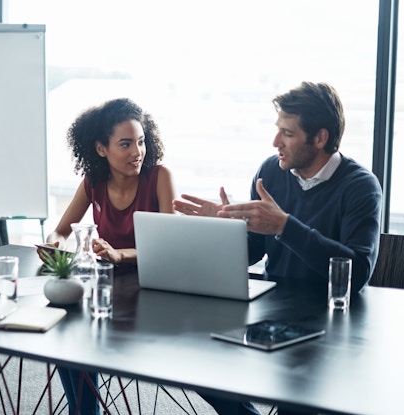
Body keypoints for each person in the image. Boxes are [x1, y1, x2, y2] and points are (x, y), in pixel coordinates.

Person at [173, 81, 382, 415]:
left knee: (295, 401)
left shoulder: (360, 187)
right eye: (277, 130)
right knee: (194, 358)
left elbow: (355, 273)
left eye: (287, 133)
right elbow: (255, 249)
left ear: (320, 138)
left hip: (328, 320)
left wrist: (285, 226)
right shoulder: (272, 170)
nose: (275, 143)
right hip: (272, 310)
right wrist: (224, 228)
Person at [44, 98, 176, 415]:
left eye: (141, 142)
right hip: (106, 289)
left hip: (150, 290)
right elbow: (60, 230)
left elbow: (171, 246)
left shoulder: (159, 177)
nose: (137, 152)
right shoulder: (93, 182)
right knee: (66, 333)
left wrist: (119, 254)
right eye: (126, 144)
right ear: (101, 149)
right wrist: (57, 246)